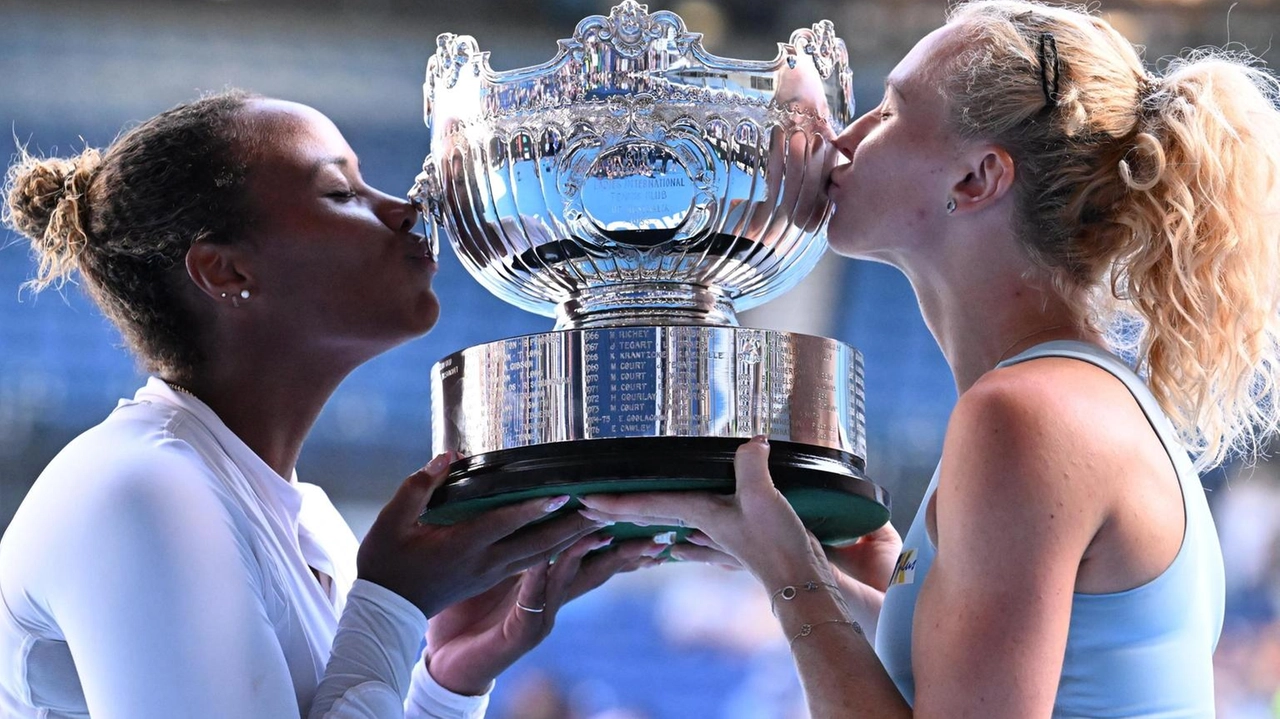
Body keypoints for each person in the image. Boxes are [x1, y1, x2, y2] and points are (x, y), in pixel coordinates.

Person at [579, 1, 1280, 716]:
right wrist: (853, 580)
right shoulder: (1066, 400)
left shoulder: (1027, 417)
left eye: (889, 110)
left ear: (976, 181)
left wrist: (787, 571)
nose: (848, 138)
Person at [0, 92, 657, 718]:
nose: (403, 209)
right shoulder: (140, 490)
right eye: (341, 192)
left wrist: (448, 678)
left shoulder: (314, 528)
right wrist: (395, 600)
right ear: (227, 271)